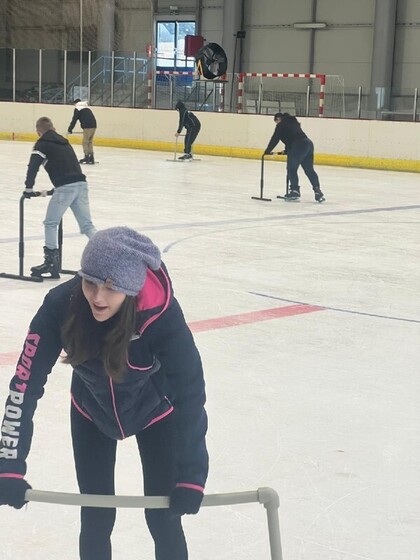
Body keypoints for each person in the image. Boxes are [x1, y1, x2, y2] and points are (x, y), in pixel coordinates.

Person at [0, 226, 209, 560]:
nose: (98, 297)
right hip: (91, 410)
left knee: (164, 519)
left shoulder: (160, 314)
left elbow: (190, 391)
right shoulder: (61, 305)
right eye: (90, 282)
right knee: (97, 517)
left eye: (111, 288)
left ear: (130, 287)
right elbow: (25, 384)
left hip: (155, 410)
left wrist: (192, 475)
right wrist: (9, 462)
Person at [23, 117, 97, 279]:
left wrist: (28, 188)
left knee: (51, 223)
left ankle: (51, 262)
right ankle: (106, 251)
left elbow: (33, 166)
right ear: (54, 128)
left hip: (65, 187)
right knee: (87, 225)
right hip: (81, 184)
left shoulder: (42, 144)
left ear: (38, 131)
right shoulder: (64, 142)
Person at [264, 112, 325, 202]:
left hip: (298, 146)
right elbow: (292, 136)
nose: (276, 124)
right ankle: (317, 190)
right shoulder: (293, 122)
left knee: (291, 169)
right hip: (308, 144)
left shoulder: (281, 125)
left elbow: (275, 138)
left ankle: (295, 191)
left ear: (278, 119)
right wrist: (287, 150)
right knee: (309, 170)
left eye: (276, 122)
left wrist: (267, 151)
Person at [68, 99, 97, 164]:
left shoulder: (78, 108)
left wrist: (70, 129)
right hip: (94, 125)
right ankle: (91, 157)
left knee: (85, 142)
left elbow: (74, 119)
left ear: (75, 103)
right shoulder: (87, 108)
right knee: (90, 141)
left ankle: (86, 157)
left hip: (87, 126)